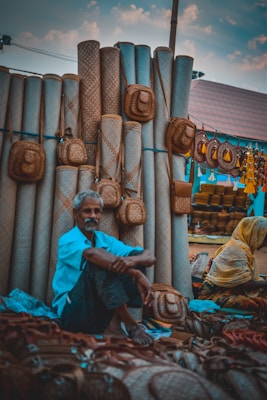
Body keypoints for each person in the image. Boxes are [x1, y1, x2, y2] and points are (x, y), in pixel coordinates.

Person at [52, 190, 156, 345]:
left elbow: (149, 257)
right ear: (76, 213)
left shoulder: (104, 240)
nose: (93, 216)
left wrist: (134, 262)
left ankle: (113, 326)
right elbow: (92, 255)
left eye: (97, 212)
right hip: (73, 311)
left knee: (133, 259)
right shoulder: (68, 240)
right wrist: (135, 274)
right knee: (99, 262)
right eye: (87, 211)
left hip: (98, 313)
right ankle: (130, 325)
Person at [198, 216, 267, 317]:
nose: (265, 241)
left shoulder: (244, 249)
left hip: (231, 290)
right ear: (254, 233)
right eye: (264, 236)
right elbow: (244, 284)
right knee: (254, 304)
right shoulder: (236, 250)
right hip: (215, 294)